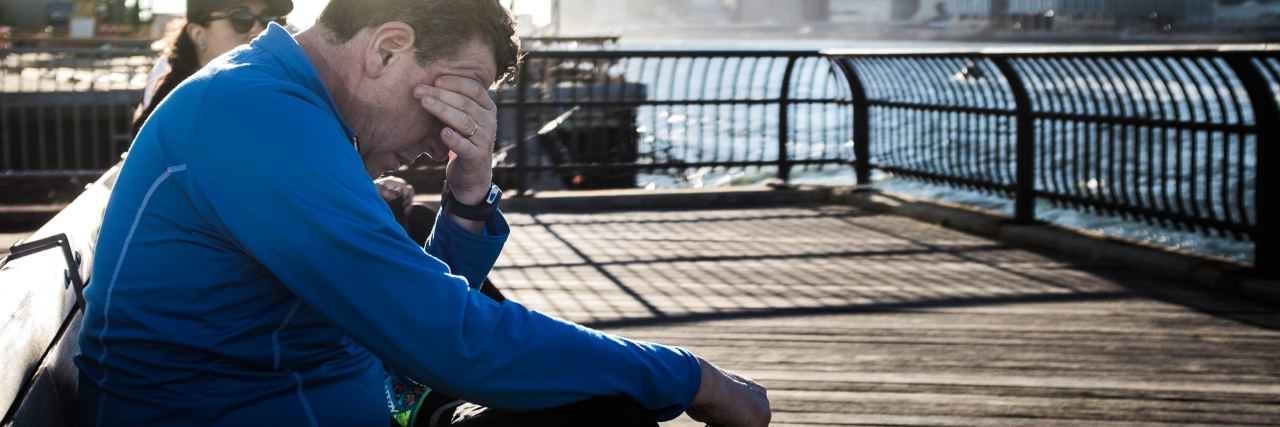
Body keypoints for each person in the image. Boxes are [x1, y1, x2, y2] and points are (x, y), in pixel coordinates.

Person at [76, 1, 770, 426]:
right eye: (458, 94)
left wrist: (469, 192)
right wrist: (694, 377)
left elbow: (410, 306)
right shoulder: (257, 118)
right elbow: (444, 338)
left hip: (323, 399)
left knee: (597, 402)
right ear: (385, 48)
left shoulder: (288, 106)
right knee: (607, 409)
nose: (455, 130)